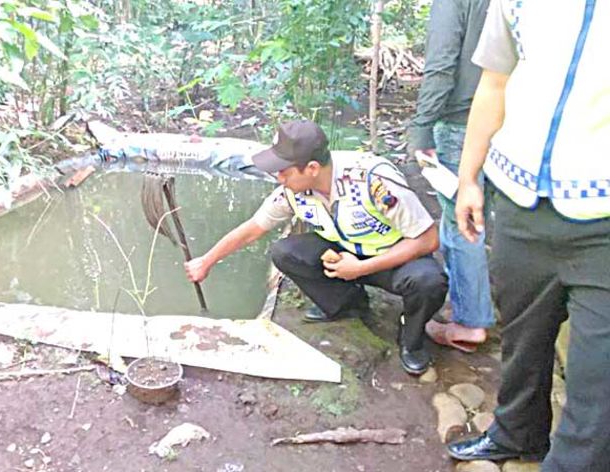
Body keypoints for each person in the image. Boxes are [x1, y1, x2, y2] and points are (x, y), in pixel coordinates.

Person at [447, 0, 610, 470]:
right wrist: (467, 178)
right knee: (522, 338)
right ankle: (516, 434)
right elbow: (495, 81)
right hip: (518, 202)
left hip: (601, 222)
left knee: (596, 378)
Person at [184, 120, 447, 375]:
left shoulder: (372, 181)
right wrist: (206, 261)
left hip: (394, 259)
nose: (278, 177)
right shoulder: (293, 191)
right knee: (284, 253)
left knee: (429, 282)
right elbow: (253, 228)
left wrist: (361, 268)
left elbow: (427, 239)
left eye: (284, 171)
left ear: (311, 168)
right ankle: (349, 304)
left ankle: (411, 337)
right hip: (344, 254)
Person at [408, 0, 494, 352]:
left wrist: (422, 126)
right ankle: (481, 303)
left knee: (462, 221)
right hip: (514, 121)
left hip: (463, 121)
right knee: (487, 215)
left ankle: (470, 322)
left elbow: (442, 66)